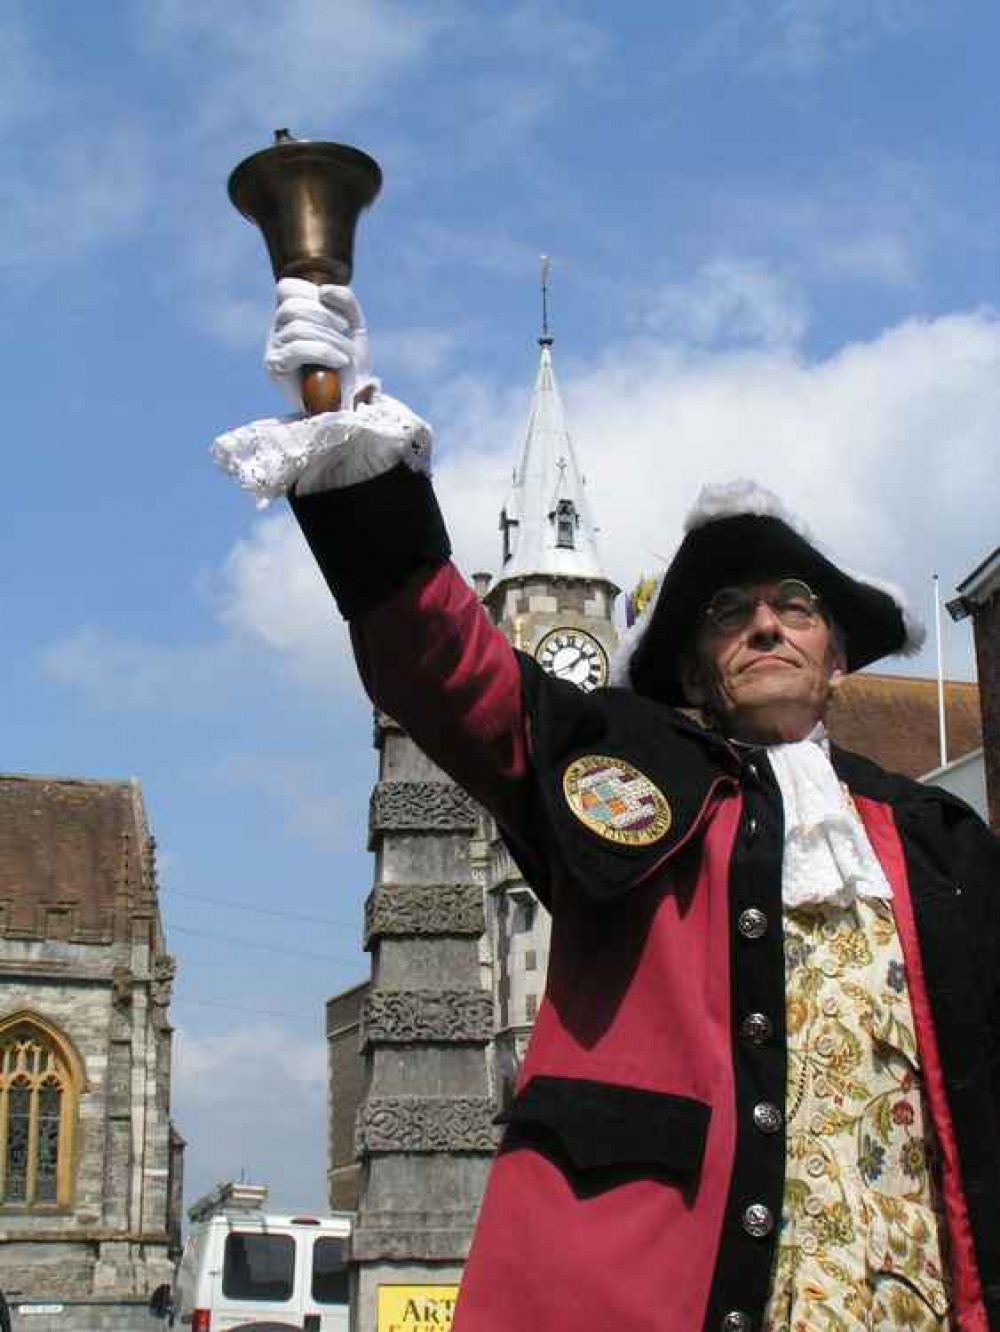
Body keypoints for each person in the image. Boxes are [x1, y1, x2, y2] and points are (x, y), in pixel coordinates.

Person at [215, 280, 1000, 1331]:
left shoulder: (937, 838)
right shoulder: (630, 782)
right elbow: (456, 675)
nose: (766, 625)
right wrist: (348, 450)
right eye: (731, 613)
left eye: (795, 607)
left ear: (835, 652)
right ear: (694, 662)